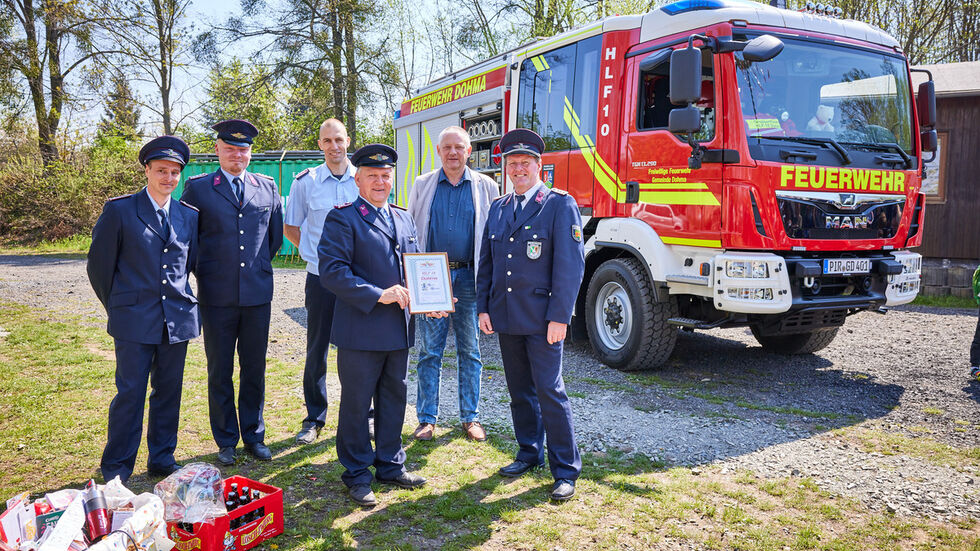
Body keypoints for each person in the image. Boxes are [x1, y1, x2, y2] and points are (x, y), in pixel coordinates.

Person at [318, 144, 431, 507]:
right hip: (361, 329)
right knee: (356, 404)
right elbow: (333, 272)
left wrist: (432, 300)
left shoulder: (403, 218)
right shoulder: (343, 218)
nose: (380, 181)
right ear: (358, 179)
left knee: (393, 399)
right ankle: (356, 473)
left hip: (398, 329)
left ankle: (390, 464)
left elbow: (415, 267)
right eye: (372, 175)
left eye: (386, 176)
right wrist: (378, 294)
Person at [476, 128, 585, 502]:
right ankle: (528, 452)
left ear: (539, 166)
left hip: (542, 320)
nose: (518, 169)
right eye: (512, 163)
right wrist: (483, 307)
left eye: (525, 163)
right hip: (507, 316)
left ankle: (565, 468)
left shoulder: (558, 204)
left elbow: (570, 267)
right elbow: (487, 262)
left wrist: (561, 317)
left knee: (550, 391)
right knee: (519, 391)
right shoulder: (499, 207)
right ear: (504, 166)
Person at [87, 136, 199, 483]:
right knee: (131, 393)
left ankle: (162, 457)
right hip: (133, 320)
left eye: (174, 172)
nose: (168, 178)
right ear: (147, 170)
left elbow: (186, 264)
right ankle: (118, 468)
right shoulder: (121, 210)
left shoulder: (187, 215)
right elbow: (99, 268)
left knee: (169, 391)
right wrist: (121, 306)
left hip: (176, 320)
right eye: (161, 170)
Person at [180, 119, 284, 466]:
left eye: (243, 149)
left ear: (250, 153)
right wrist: (207, 274)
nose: (237, 154)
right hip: (217, 295)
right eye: (230, 148)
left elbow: (273, 239)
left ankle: (254, 435)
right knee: (220, 369)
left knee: (254, 368)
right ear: (218, 150)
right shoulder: (198, 189)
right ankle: (226, 439)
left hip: (257, 295)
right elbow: (188, 240)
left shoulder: (267, 186)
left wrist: (253, 271)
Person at [407, 126, 499, 442]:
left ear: (469, 151)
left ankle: (470, 418)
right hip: (433, 278)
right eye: (447, 147)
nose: (453, 153)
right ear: (439, 151)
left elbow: (493, 238)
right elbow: (410, 231)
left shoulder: (487, 186)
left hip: (470, 278)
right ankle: (426, 420)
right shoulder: (423, 185)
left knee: (470, 350)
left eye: (458, 147)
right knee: (429, 351)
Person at [284, 119, 359, 445]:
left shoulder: (364, 178)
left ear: (348, 141)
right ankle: (314, 418)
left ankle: (364, 416)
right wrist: (316, 256)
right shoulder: (306, 182)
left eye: (339, 139)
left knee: (361, 349)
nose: (334, 146)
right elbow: (292, 227)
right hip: (321, 279)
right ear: (320, 144)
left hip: (358, 280)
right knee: (317, 349)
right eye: (327, 140)